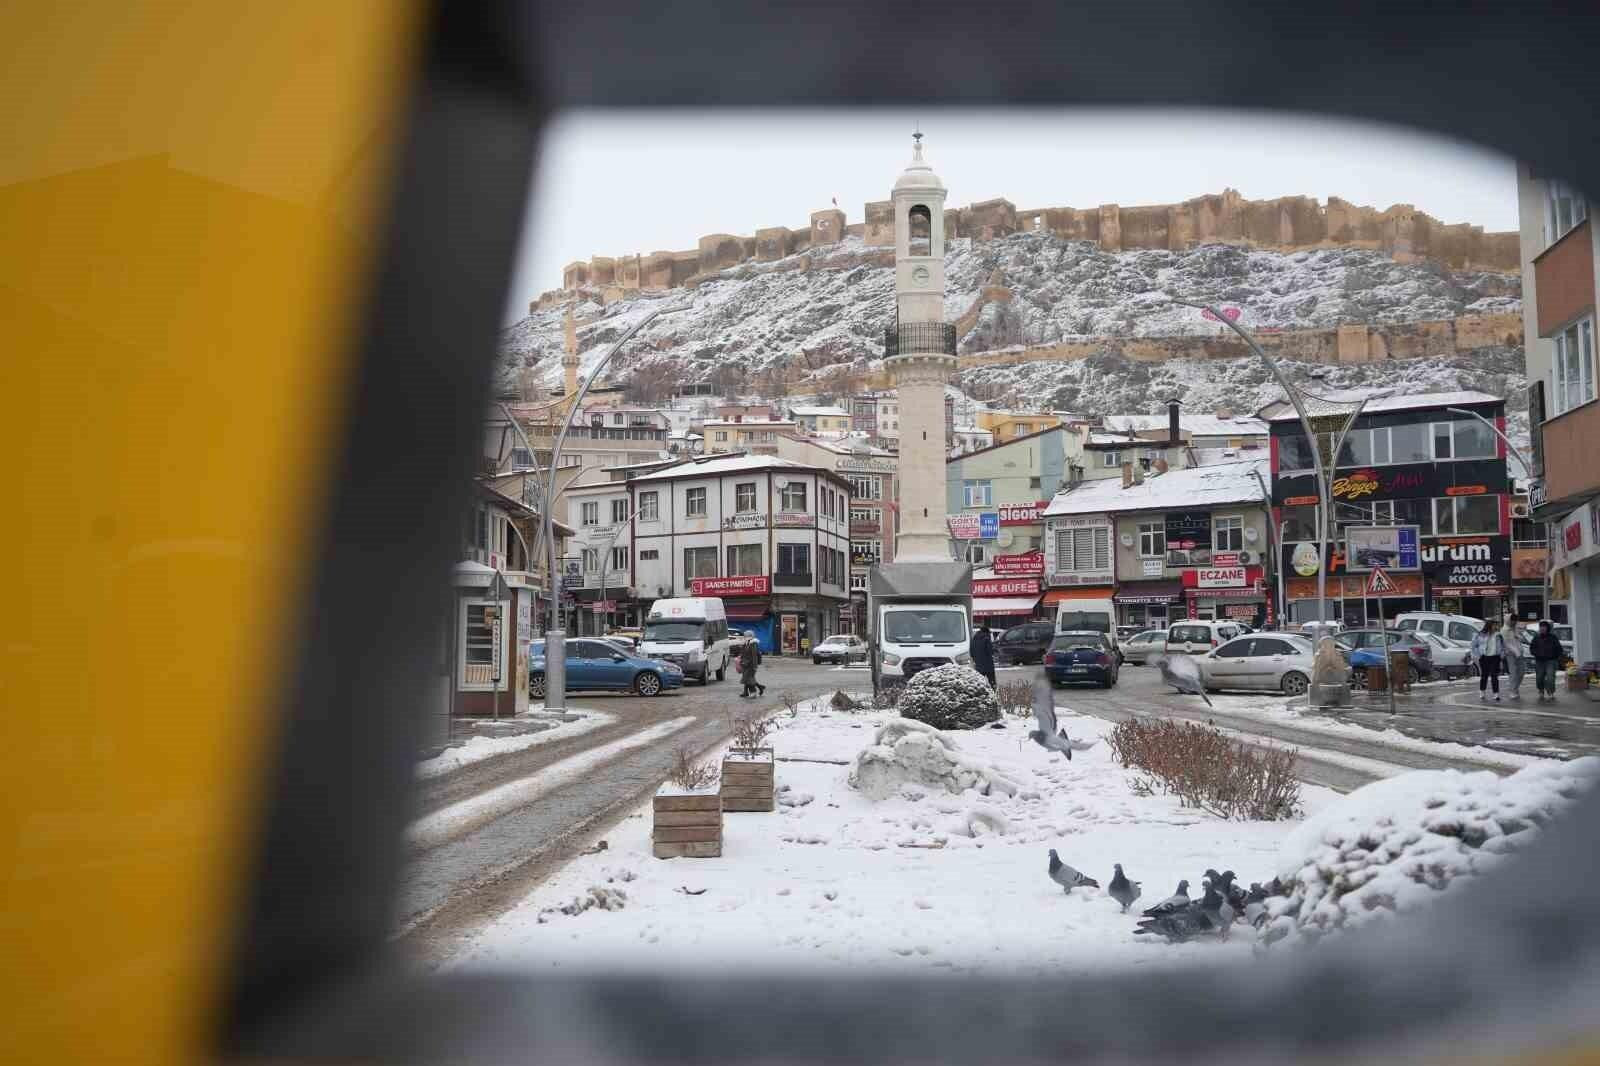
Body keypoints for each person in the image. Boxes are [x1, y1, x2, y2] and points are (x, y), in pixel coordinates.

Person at [1530, 620, 1564, 703]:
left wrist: (1556, 657)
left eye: (1544, 627)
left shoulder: (1553, 637)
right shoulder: (1536, 638)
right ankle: (1541, 690)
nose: (1542, 628)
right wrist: (1536, 654)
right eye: (1541, 627)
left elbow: (1559, 649)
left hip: (1551, 661)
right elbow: (1532, 648)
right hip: (1539, 661)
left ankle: (1550, 692)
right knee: (1539, 678)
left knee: (1550, 677)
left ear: (1547, 628)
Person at [1471, 620, 1504, 702]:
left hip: (1495, 657)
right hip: (1484, 657)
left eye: (1496, 625)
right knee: (1484, 675)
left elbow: (1503, 646)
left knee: (1494, 676)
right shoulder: (1480, 635)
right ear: (1489, 626)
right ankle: (1482, 692)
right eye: (1494, 625)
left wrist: (1501, 655)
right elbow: (1473, 646)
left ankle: (1496, 694)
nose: (1496, 627)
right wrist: (1479, 655)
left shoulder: (1498, 635)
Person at [1502, 616, 1526, 699]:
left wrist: (1518, 635)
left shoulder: (1515, 629)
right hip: (1511, 655)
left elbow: (1521, 639)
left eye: (1515, 621)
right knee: (1513, 673)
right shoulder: (1504, 630)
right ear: (1509, 620)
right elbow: (1507, 644)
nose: (1514, 622)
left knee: (1521, 672)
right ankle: (1512, 691)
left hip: (1519, 653)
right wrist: (1517, 653)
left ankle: (1515, 688)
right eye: (1513, 621)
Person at [970, 624, 996, 689]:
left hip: (978, 665)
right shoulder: (986, 639)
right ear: (986, 632)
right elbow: (990, 651)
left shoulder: (974, 639)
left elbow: (971, 652)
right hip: (988, 666)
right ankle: (994, 694)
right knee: (992, 683)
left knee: (978, 683)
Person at [739, 633, 764, 699]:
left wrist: (755, 666)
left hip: (751, 664)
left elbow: (754, 656)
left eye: (746, 636)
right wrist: (741, 659)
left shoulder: (753, 644)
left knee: (749, 678)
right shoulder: (746, 643)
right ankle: (759, 688)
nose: (744, 637)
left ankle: (753, 692)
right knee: (747, 678)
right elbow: (743, 653)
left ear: (750, 637)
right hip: (745, 664)